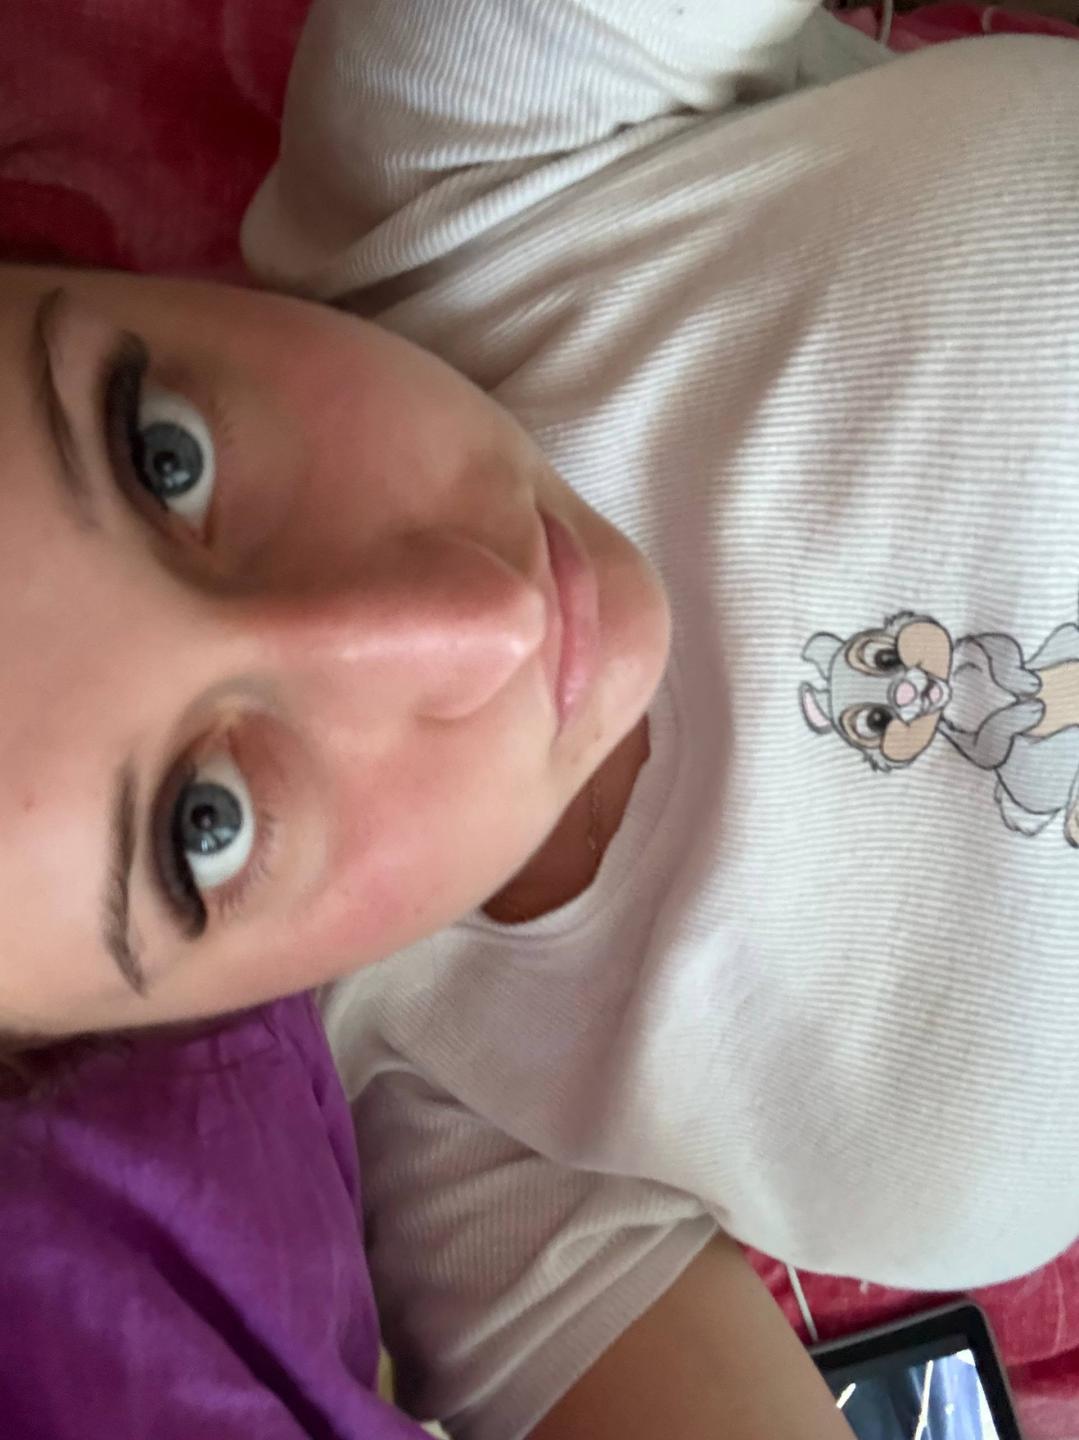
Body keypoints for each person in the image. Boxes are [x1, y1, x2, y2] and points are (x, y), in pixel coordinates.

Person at [2, 2, 1078, 1437]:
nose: (475, 619)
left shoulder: (460, 139)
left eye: (165, 454)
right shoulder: (461, 1150)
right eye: (208, 825)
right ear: (119, 1039)